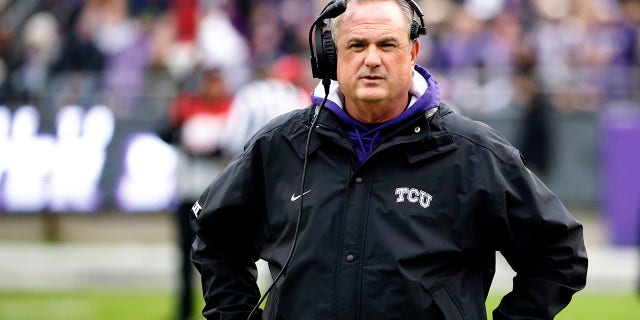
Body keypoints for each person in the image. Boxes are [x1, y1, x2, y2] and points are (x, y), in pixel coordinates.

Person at [190, 1, 588, 319]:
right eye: (357, 46)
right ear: (332, 58)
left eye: (387, 44)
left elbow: (558, 253)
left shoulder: (473, 153)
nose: (372, 59)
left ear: (412, 52)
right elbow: (216, 236)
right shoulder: (281, 145)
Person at [167, 64, 234, 320]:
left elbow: (233, 147)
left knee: (223, 259)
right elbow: (167, 132)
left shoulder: (232, 109)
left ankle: (225, 309)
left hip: (219, 197)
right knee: (186, 260)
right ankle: (184, 311)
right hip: (189, 194)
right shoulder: (188, 107)